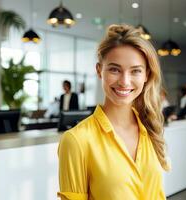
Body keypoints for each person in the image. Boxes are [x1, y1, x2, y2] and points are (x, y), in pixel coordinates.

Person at [58, 24, 170, 200]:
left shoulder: (149, 129)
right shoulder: (77, 141)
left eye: (135, 71)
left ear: (146, 75)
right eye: (115, 69)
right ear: (99, 70)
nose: (125, 82)